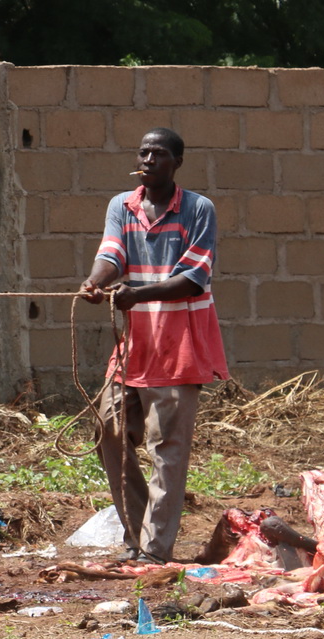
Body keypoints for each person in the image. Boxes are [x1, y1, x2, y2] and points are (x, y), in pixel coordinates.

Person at [79, 127, 228, 563]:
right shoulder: (122, 206)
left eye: (158, 154)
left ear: (176, 162)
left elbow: (193, 278)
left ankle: (155, 550)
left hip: (179, 347)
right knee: (108, 430)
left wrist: (135, 294)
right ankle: (137, 535)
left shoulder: (199, 209)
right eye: (143, 153)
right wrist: (95, 281)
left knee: (167, 452)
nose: (147, 160)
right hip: (133, 347)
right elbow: (111, 254)